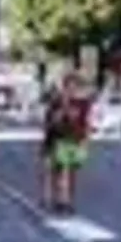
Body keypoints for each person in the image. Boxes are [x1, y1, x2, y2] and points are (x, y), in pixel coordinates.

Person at [42, 74, 91, 214]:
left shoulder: (83, 103)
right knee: (60, 171)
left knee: (72, 174)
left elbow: (86, 122)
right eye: (68, 85)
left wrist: (86, 141)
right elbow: (50, 122)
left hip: (76, 140)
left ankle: (69, 201)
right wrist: (63, 107)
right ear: (64, 86)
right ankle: (59, 201)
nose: (71, 88)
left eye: (74, 85)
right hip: (60, 139)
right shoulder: (56, 102)